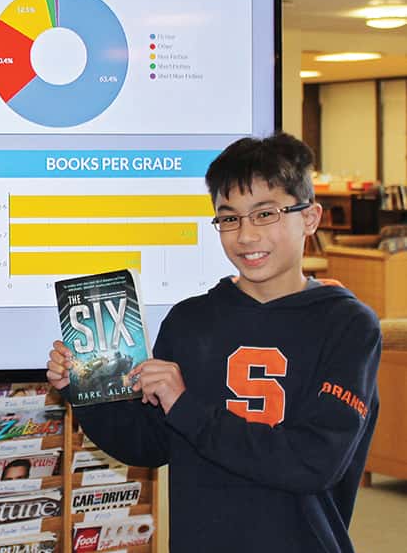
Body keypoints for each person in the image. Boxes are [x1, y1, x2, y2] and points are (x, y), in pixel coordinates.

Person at [47, 133, 380, 553]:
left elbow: (314, 462)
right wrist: (86, 388)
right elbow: (149, 444)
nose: (245, 236)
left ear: (310, 218)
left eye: (266, 214)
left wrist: (186, 406)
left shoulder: (348, 325)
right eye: (229, 218)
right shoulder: (190, 320)